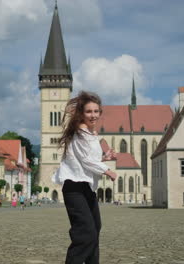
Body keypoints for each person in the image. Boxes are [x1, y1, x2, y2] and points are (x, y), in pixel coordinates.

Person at [52, 91, 117, 264]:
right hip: (74, 188)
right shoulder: (80, 133)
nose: (93, 115)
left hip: (86, 188)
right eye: (89, 111)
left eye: (96, 111)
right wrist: (107, 170)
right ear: (81, 113)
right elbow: (87, 161)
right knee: (86, 234)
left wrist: (104, 158)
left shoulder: (91, 134)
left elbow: (85, 159)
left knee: (95, 229)